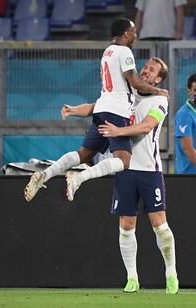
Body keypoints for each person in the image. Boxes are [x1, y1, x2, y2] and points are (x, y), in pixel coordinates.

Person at [63, 57, 179, 294]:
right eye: (144, 67)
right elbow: (98, 107)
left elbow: (146, 126)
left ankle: (171, 273)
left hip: (149, 170)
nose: (145, 71)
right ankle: (132, 278)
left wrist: (118, 131)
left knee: (160, 225)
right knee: (126, 225)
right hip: (123, 169)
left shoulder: (160, 99)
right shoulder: (125, 94)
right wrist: (75, 110)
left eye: (151, 70)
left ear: (158, 79)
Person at [24, 18, 169, 202]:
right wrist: (159, 90)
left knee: (83, 154)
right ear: (126, 34)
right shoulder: (125, 51)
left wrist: (76, 110)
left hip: (102, 108)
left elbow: (109, 94)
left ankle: (45, 175)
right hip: (116, 112)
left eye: (151, 69)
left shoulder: (107, 51)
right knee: (124, 161)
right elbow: (133, 81)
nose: (135, 36)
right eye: (133, 32)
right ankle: (79, 178)